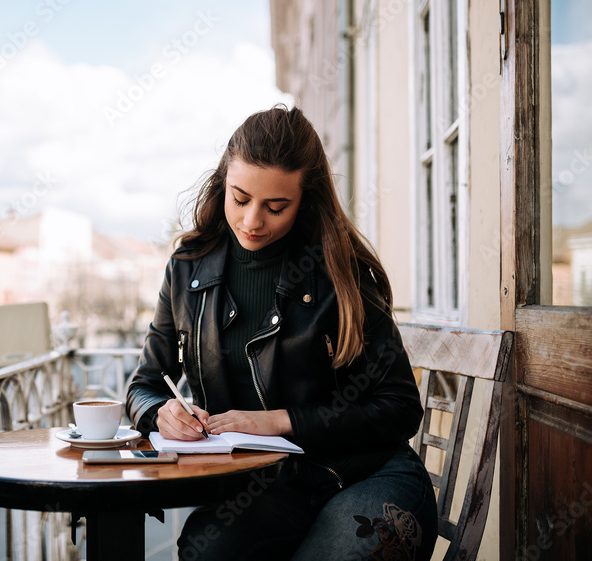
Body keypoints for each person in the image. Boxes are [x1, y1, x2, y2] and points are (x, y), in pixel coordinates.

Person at [126, 107, 438, 560]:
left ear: (305, 201)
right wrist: (160, 413)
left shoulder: (340, 273)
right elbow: (145, 385)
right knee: (206, 549)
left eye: (275, 207)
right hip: (274, 488)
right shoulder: (186, 269)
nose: (253, 220)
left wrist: (280, 421)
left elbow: (400, 407)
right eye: (240, 198)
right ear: (222, 185)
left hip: (370, 473)